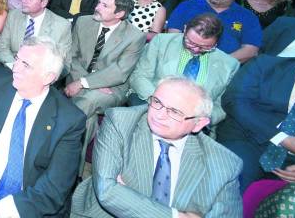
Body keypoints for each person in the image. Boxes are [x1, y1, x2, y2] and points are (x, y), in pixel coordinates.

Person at [71, 78, 243, 217]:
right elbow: (107, 191)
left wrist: (128, 197)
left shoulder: (224, 164)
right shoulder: (121, 122)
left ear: (198, 124)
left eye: (175, 112)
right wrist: (176, 216)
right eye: (157, 102)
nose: (159, 115)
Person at [0, 36, 86, 217]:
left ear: (48, 77)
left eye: (26, 65)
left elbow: (54, 188)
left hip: (27, 204)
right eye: (17, 59)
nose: (15, 68)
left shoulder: (69, 120)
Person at [219, 48, 295, 192]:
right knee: (234, 185)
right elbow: (234, 101)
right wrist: (281, 138)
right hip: (250, 140)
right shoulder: (266, 66)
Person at [65, 0, 146, 161]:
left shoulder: (134, 36)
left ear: (120, 13)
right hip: (79, 78)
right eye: (99, 2)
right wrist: (85, 81)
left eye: (105, 5)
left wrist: (84, 83)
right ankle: (74, 169)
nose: (97, 7)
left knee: (88, 100)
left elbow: (119, 72)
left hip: (112, 88)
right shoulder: (84, 22)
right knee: (88, 120)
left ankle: (58, 138)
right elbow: (72, 56)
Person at [128, 13, 240, 124]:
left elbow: (222, 105)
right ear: (185, 29)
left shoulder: (229, 65)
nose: (195, 49)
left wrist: (200, 118)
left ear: (217, 42)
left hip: (193, 121)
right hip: (153, 106)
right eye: (190, 42)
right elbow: (139, 76)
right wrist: (161, 102)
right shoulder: (161, 42)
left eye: (205, 47)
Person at [168, 0, 262, 63]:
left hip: (223, 67)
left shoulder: (248, 17)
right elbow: (174, 36)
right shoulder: (187, 6)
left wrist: (219, 63)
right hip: (183, 58)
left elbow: (251, 50)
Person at [0, 0, 72, 67]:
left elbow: (63, 63)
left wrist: (34, 73)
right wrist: (15, 65)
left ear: (44, 3)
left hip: (41, 74)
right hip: (10, 66)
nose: (23, 1)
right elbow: (1, 48)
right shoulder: (13, 16)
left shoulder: (61, 26)